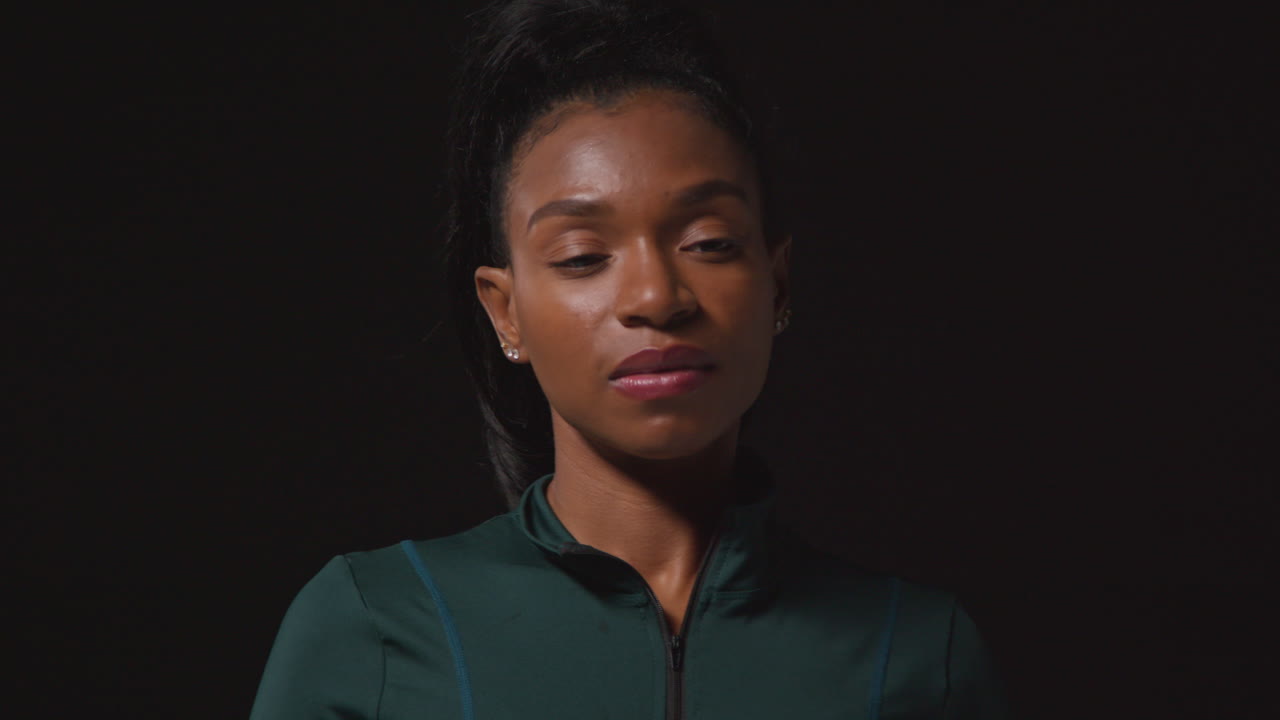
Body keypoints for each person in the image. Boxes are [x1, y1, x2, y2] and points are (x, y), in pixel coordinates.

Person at [249, 1, 1011, 718]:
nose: (655, 295)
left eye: (709, 243)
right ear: (504, 310)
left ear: (776, 283)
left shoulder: (916, 653)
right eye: (583, 256)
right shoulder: (374, 628)